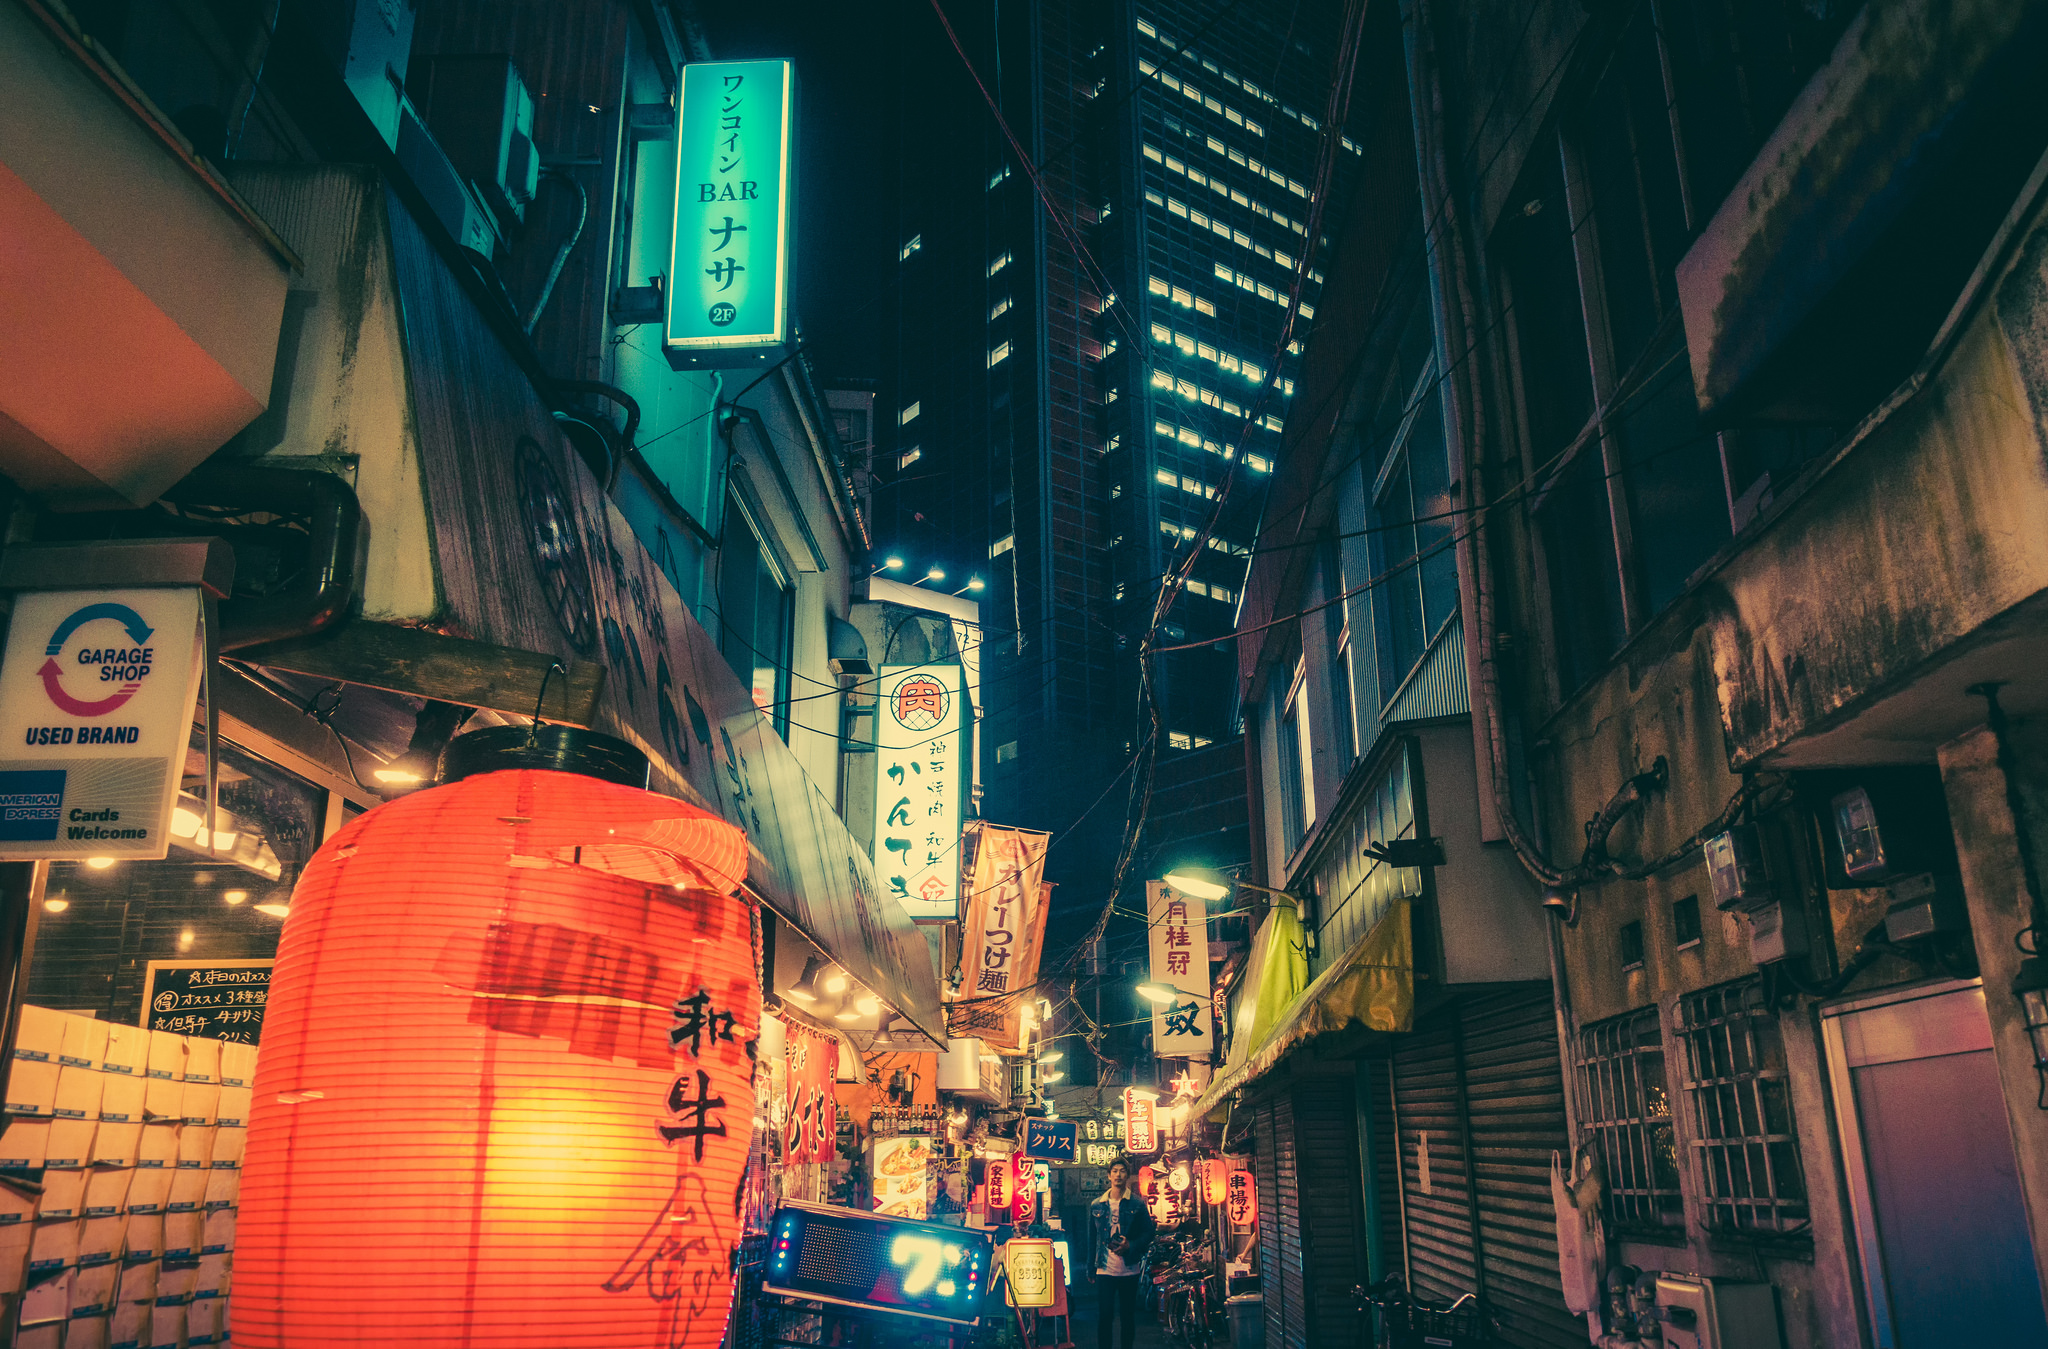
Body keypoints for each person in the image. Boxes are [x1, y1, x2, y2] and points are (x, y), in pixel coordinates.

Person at [1087, 1159, 1156, 1349]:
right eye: (1115, 1171)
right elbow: (1091, 1238)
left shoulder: (1137, 1204)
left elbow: (1149, 1232)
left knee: (1127, 1316)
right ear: (1109, 1175)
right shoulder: (1096, 1205)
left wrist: (1131, 1245)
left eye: (1122, 1171)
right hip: (1104, 1268)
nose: (1118, 1175)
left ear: (1127, 1175)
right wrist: (1090, 1269)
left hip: (1129, 1268)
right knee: (1104, 1315)